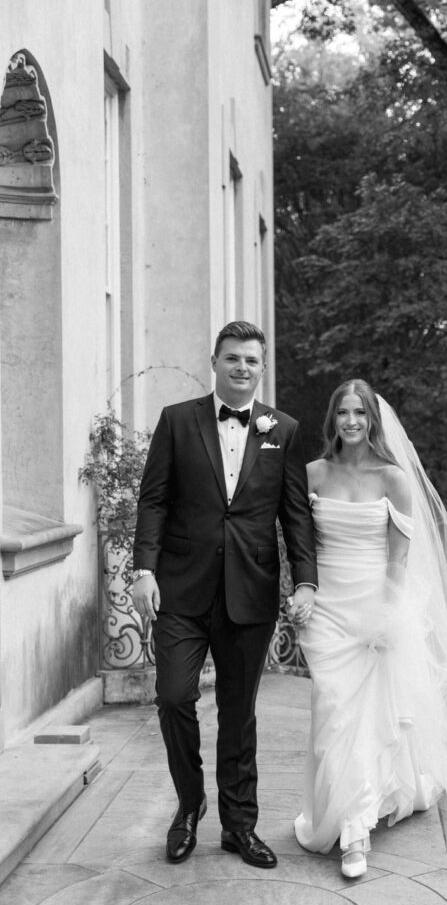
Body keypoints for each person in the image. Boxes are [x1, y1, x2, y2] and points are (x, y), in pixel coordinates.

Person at [132, 320, 317, 867]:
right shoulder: (177, 421)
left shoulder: (283, 429)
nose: (241, 368)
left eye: (251, 361)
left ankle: (240, 826)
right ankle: (189, 806)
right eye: (232, 358)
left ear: (262, 369)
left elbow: (295, 515)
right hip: (181, 591)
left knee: (239, 714)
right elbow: (154, 501)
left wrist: (304, 580)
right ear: (214, 362)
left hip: (250, 593)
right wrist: (144, 569)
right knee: (173, 696)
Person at [294, 379, 447, 878]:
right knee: (333, 713)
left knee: (367, 719)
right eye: (343, 413)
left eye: (360, 413)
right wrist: (301, 591)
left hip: (374, 608)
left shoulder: (393, 479)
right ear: (332, 419)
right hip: (328, 609)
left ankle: (355, 833)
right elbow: (299, 545)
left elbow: (399, 563)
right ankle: (342, 810)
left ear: (373, 421)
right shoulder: (313, 474)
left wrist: (386, 619)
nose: (352, 421)